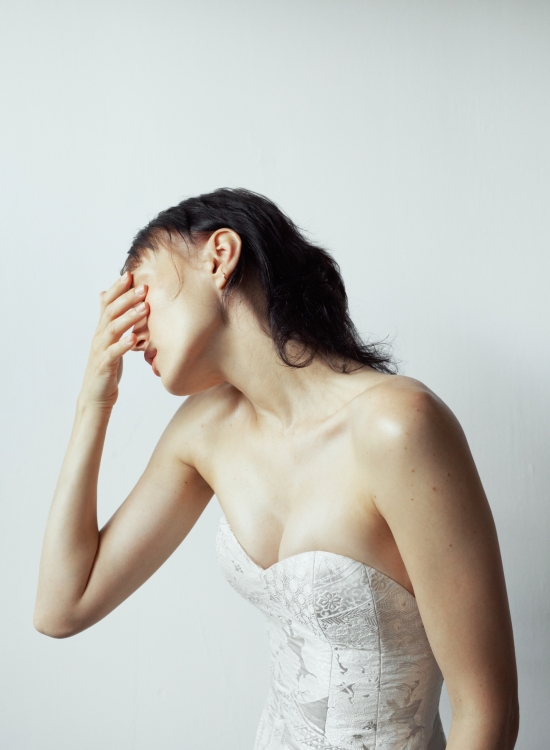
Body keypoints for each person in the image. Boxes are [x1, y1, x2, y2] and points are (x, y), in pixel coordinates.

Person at [34, 188, 519, 750]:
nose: (130, 329)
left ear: (220, 255)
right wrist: (93, 402)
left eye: (139, 291)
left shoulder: (397, 426)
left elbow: (488, 713)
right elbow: (61, 607)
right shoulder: (205, 431)